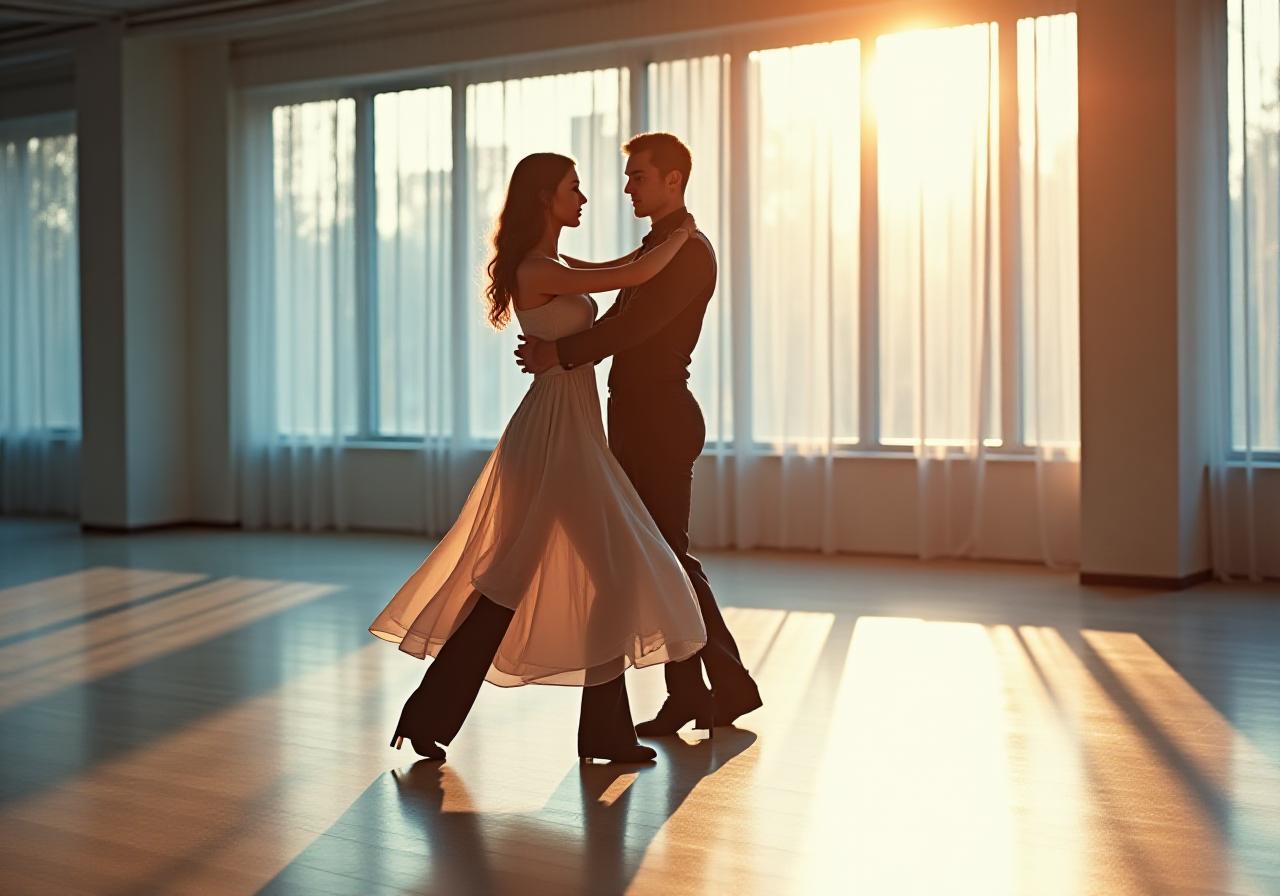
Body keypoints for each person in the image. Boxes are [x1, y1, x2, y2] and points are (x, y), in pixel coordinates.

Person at [370, 152, 707, 764]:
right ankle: (593, 731)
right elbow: (630, 278)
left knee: (529, 580)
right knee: (580, 576)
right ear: (544, 199)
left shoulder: (553, 263)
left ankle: (434, 716)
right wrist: (681, 235)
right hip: (556, 435)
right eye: (573, 190)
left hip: (568, 429)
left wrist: (665, 242)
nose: (584, 199)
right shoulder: (536, 268)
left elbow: (618, 266)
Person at [516, 133, 762, 740]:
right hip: (635, 417)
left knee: (668, 557)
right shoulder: (659, 247)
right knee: (663, 559)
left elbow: (636, 327)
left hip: (661, 420)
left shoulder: (690, 250)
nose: (626, 187)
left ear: (674, 180)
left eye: (639, 177)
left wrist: (561, 352)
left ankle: (725, 687)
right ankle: (698, 693)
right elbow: (616, 298)